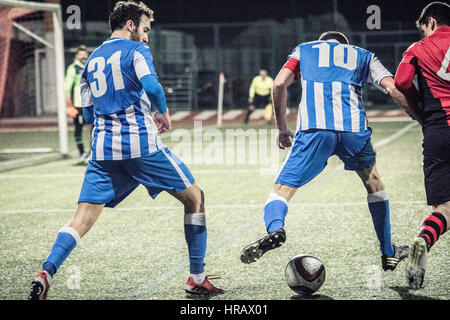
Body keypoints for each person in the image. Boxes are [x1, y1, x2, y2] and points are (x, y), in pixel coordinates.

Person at [28, 1, 223, 300]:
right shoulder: (137, 51)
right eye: (145, 29)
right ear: (130, 25)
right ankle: (196, 278)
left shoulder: (91, 60)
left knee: (81, 219)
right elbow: (153, 86)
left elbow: (88, 115)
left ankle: (46, 272)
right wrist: (163, 112)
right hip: (140, 146)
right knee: (195, 198)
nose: (146, 37)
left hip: (103, 152)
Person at [240, 31, 412, 272]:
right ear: (344, 44)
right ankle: (388, 252)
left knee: (280, 191)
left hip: (314, 130)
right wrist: (421, 117)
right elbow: (392, 89)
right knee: (374, 183)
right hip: (353, 131)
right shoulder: (363, 55)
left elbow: (279, 84)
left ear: (322, 42)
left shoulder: (304, 50)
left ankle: (276, 228)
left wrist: (282, 129)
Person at [394, 1, 450, 290]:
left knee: (444, 206)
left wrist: (421, 111)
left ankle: (423, 240)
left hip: (438, 129)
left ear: (430, 22)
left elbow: (401, 83)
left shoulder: (417, 49)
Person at [64, 45, 91, 164]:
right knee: (78, 129)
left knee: (95, 129)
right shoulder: (73, 68)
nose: (84, 57)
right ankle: (82, 154)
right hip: (79, 105)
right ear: (77, 56)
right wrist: (68, 104)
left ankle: (92, 154)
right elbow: (66, 87)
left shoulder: (91, 67)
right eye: (81, 55)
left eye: (85, 55)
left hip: (92, 104)